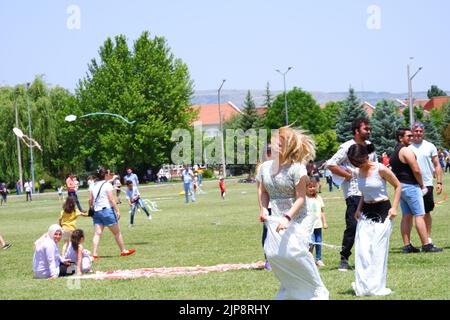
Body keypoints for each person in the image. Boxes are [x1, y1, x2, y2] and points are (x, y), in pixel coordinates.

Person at [257, 126, 329, 300]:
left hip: (298, 217)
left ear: (286, 147)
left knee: (295, 252)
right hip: (276, 217)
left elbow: (301, 198)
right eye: (274, 143)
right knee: (274, 254)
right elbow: (263, 191)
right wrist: (263, 208)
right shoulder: (265, 168)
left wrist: (288, 217)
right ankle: (290, 289)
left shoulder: (297, 169)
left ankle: (317, 289)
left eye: (279, 144)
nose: (275, 146)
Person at [347, 143, 401, 296]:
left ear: (365, 156)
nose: (357, 165)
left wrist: (394, 207)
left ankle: (376, 287)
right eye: (354, 163)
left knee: (377, 251)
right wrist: (358, 209)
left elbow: (398, 186)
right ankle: (363, 286)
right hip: (365, 212)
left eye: (359, 161)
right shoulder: (358, 172)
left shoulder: (380, 169)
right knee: (362, 251)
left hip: (383, 211)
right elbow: (364, 192)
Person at [327, 117, 377, 271]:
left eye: (369, 129)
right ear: (356, 131)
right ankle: (344, 257)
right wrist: (346, 175)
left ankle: (369, 259)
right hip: (354, 192)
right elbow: (331, 164)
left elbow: (374, 164)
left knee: (372, 225)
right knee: (353, 225)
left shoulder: (370, 146)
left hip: (370, 192)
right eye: (365, 129)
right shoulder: (347, 147)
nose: (368, 131)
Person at [390, 128, 441, 253]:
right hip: (411, 186)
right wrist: (422, 185)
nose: (411, 137)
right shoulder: (406, 150)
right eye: (408, 136)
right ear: (400, 138)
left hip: (401, 186)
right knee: (420, 215)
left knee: (407, 216)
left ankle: (407, 245)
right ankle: (426, 244)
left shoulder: (395, 151)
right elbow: (416, 170)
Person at [409, 122, 444, 250]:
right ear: (412, 131)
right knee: (412, 213)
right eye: (416, 131)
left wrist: (439, 182)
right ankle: (410, 242)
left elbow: (437, 165)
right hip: (412, 184)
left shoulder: (430, 146)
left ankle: (427, 238)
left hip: (427, 183)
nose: (418, 133)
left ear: (423, 132)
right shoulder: (408, 147)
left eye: (420, 131)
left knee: (426, 212)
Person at [89, 167, 135, 259]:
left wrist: (91, 209)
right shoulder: (107, 185)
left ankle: (94, 254)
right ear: (105, 175)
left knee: (97, 233)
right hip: (107, 211)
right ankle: (123, 250)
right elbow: (111, 199)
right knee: (117, 232)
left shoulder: (92, 185)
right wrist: (117, 210)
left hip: (97, 211)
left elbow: (90, 200)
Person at [306, 180, 328, 267]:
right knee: (310, 242)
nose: (312, 189)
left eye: (313, 187)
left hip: (318, 225)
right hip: (308, 226)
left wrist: (325, 222)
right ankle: (309, 259)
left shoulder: (318, 198)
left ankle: (318, 259)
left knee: (318, 242)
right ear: (306, 188)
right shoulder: (304, 198)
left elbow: (322, 212)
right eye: (310, 187)